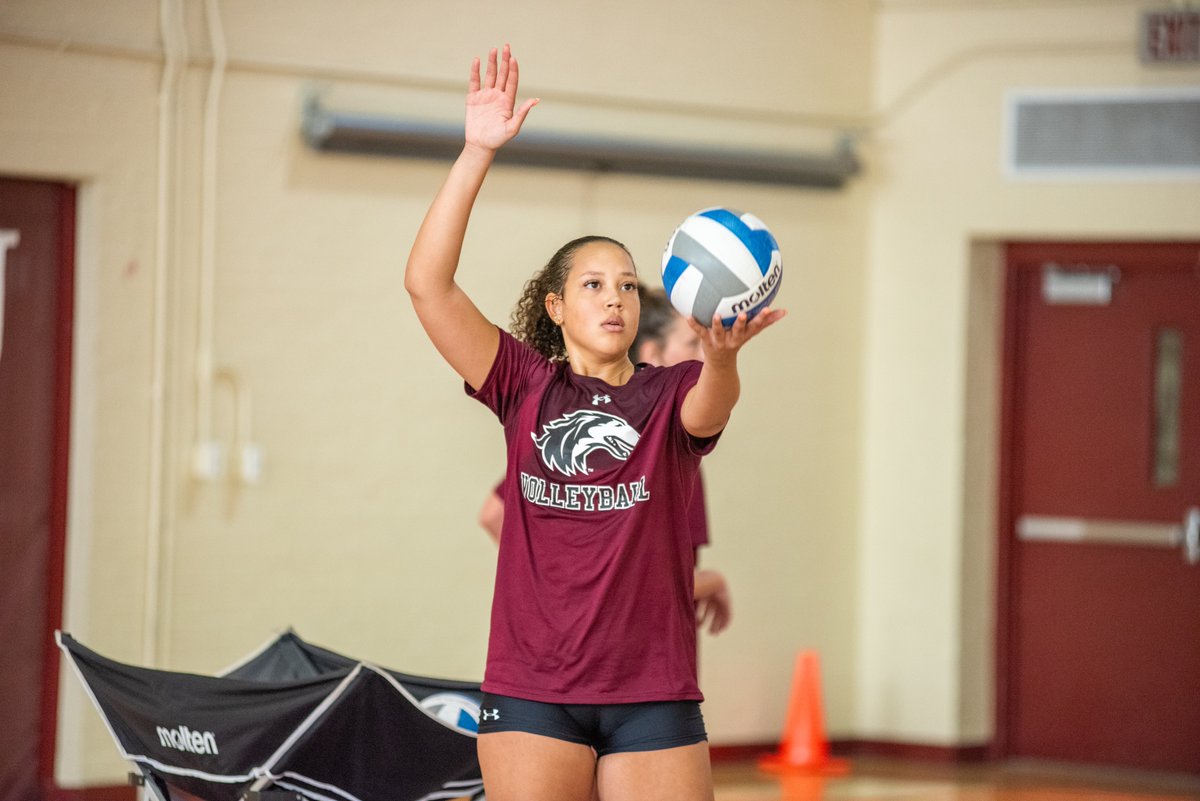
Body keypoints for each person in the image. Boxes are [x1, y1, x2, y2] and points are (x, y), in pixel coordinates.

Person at [404, 44, 784, 801]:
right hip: (533, 691)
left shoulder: (673, 390)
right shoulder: (521, 384)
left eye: (627, 284)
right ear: (556, 306)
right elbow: (426, 285)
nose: (615, 297)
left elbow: (714, 404)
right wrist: (477, 151)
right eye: (593, 283)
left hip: (652, 692)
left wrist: (724, 357)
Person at [478, 287, 732, 636]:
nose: (703, 357)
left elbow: (493, 513)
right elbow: (648, 583)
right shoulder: (662, 451)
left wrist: (559, 584)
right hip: (635, 661)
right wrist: (711, 582)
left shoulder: (576, 438)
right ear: (651, 352)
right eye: (691, 344)